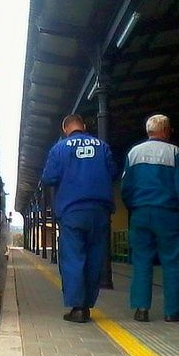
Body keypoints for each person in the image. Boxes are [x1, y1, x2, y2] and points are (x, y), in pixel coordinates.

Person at [41, 114, 119, 323]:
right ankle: (88, 306)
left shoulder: (59, 149)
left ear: (64, 129)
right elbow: (113, 172)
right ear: (83, 126)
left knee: (74, 258)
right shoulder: (102, 146)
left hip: (72, 212)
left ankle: (77, 308)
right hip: (100, 211)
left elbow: (48, 178)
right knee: (95, 259)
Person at [121, 114, 179, 322]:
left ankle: (141, 309)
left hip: (140, 214)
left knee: (142, 260)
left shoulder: (134, 153)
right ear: (166, 130)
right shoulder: (174, 152)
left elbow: (126, 187)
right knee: (173, 260)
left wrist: (133, 206)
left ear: (149, 131)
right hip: (168, 215)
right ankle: (172, 312)